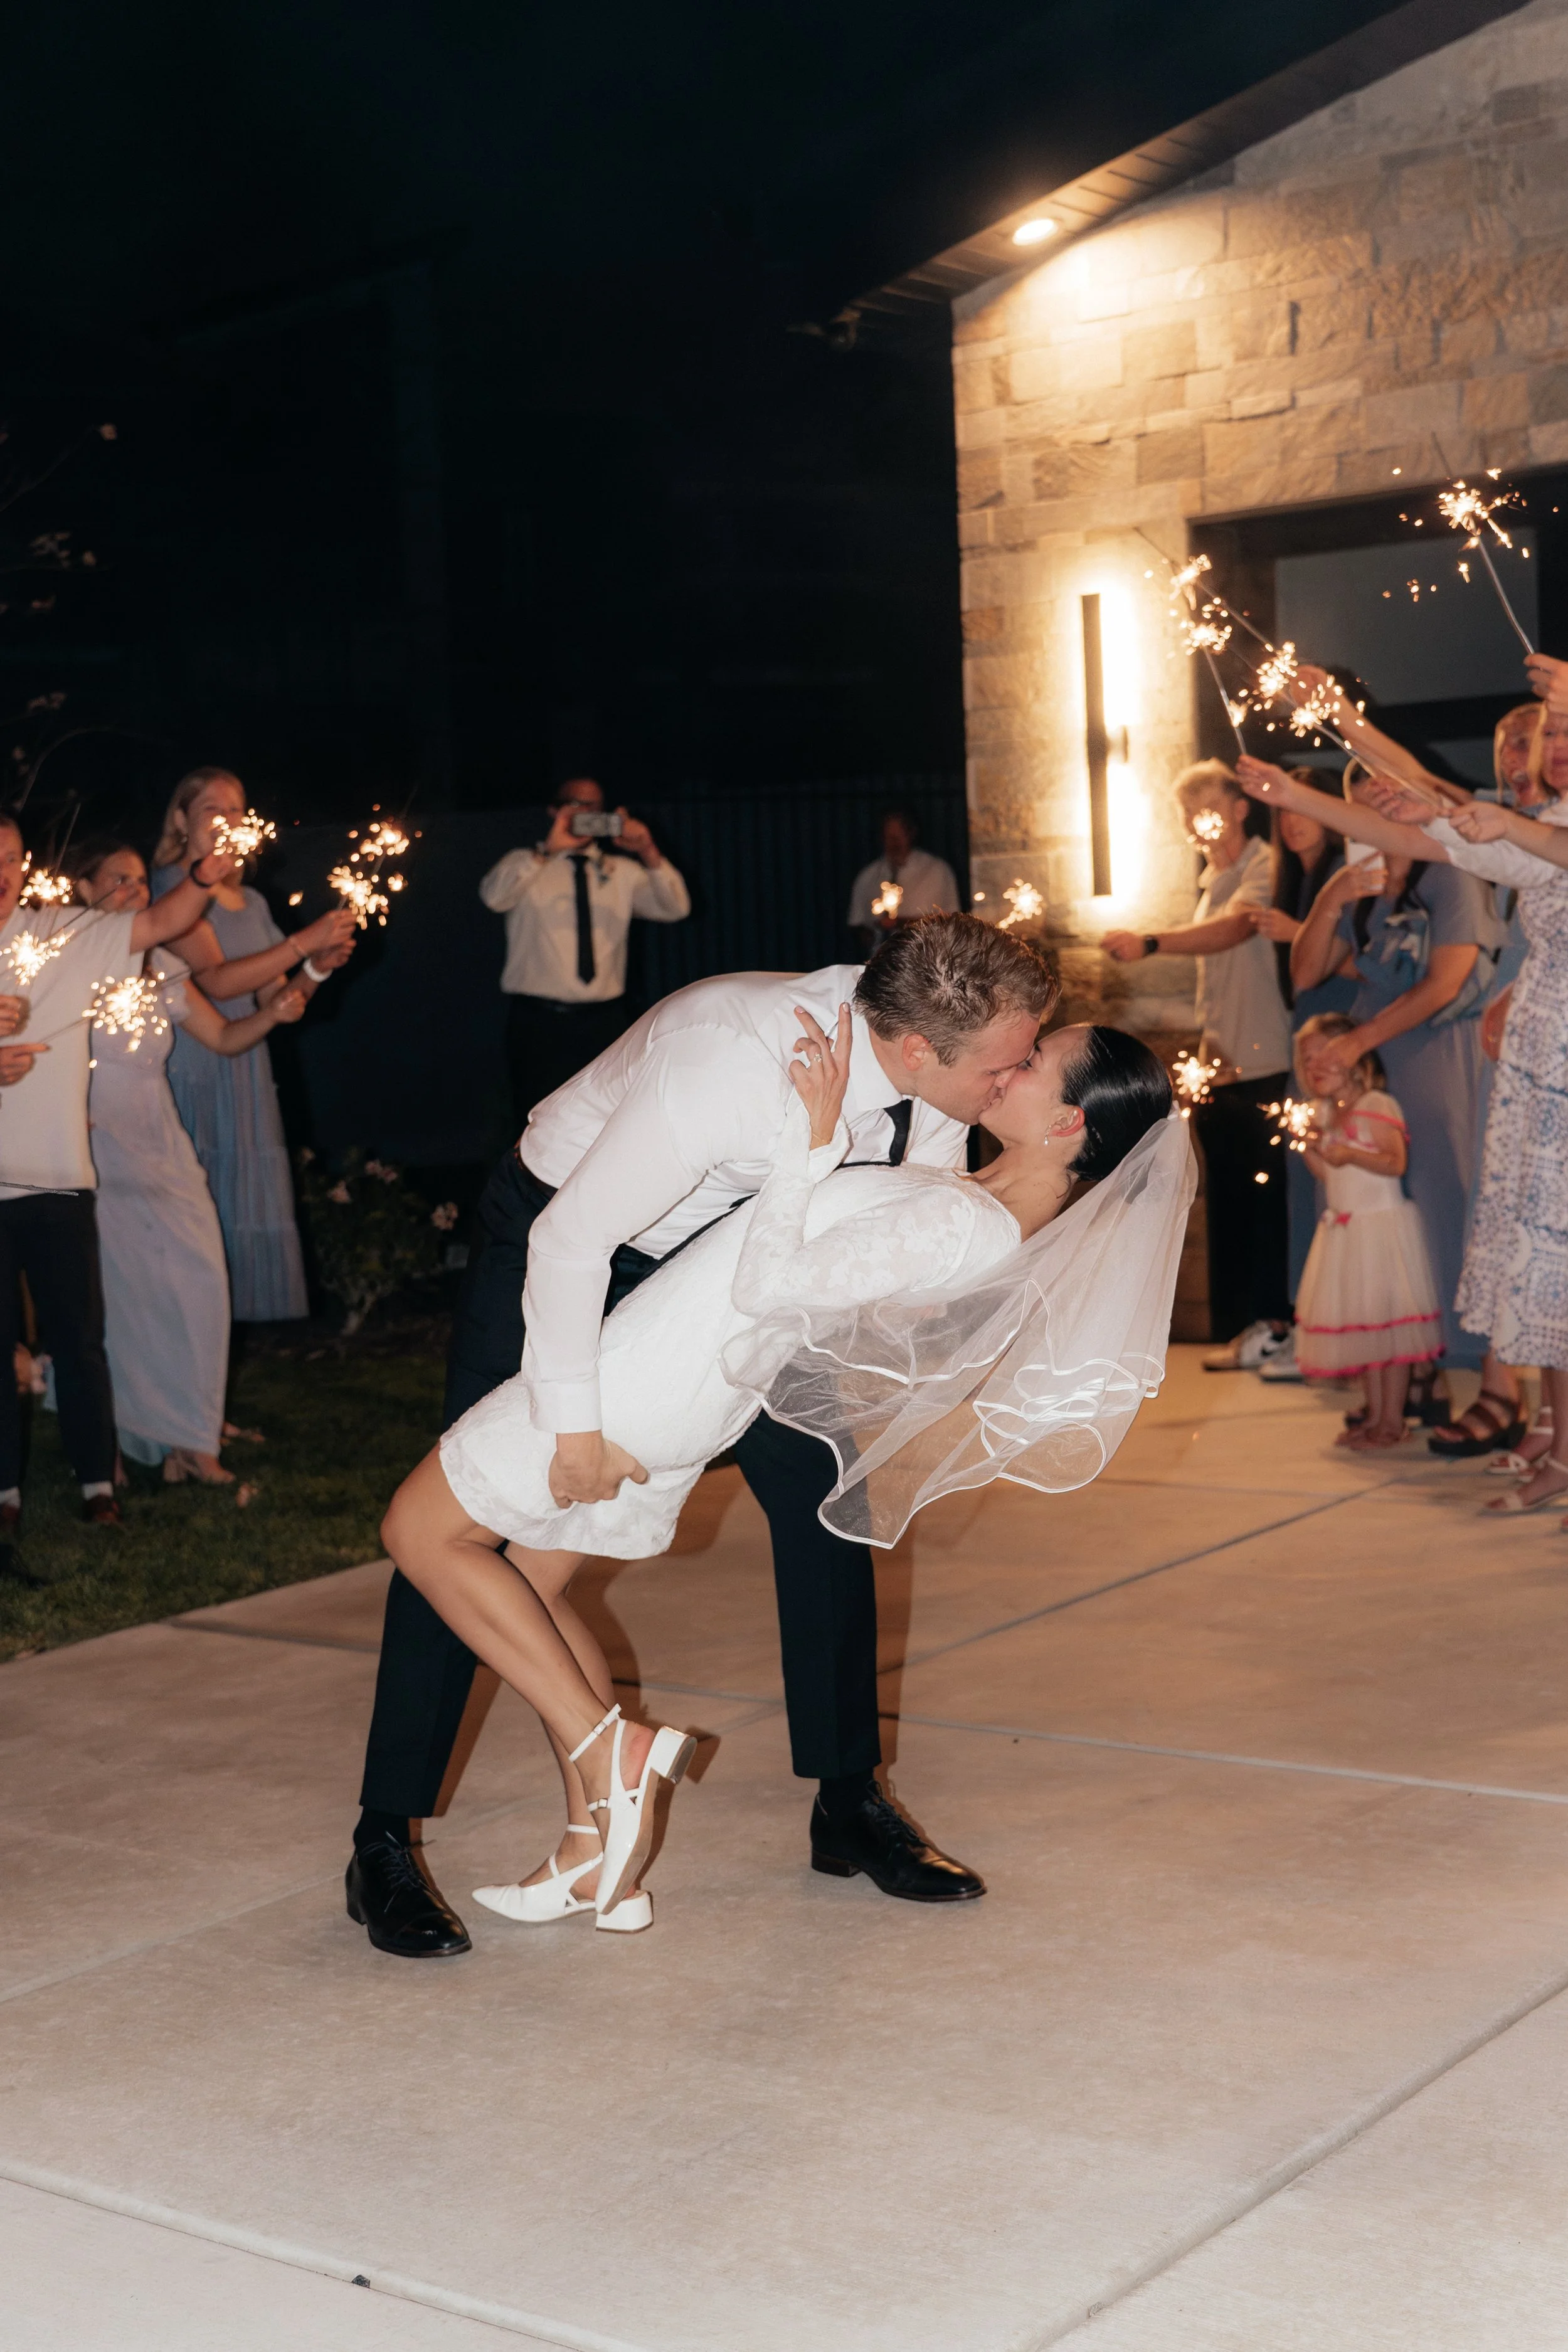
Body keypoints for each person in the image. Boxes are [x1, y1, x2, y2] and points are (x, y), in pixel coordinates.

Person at [347, 913, 1057, 1958]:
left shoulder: (928, 1054)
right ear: (917, 1049)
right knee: (472, 1530)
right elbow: (572, 1239)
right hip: (574, 1244)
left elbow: (915, 1199)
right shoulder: (736, 1063)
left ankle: (848, 1804)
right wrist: (573, 1425)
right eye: (1010, 1061)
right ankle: (384, 1841)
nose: (1022, 1073)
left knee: (829, 1498)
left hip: (742, 1271)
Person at [0, 809, 243, 1535]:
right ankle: (4, 1495)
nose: (2, 873)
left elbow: (160, 921)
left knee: (79, 1341)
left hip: (57, 1177)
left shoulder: (61, 934)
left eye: (10, 856)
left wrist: (204, 873)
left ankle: (96, 1483)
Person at [69, 841, 310, 1484]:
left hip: (162, 1141)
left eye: (141, 881)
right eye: (116, 879)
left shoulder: (162, 961)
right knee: (121, 1298)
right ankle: (121, 1440)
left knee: (200, 1283)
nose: (133, 891)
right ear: (83, 886)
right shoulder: (67, 960)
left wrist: (280, 1008)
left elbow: (225, 1037)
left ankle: (192, 1437)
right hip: (96, 1145)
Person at [1102, 760, 1293, 1372]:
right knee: (1232, 1200)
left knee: (1265, 1203)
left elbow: (1236, 930)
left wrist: (1153, 941)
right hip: (1223, 1064)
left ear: (1240, 807)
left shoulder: (1265, 864)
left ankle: (1276, 1323)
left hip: (1267, 1055)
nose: (1195, 825)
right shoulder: (1213, 876)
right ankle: (1245, 1326)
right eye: (1186, 816)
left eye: (1205, 809)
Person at [151, 767, 356, 1323]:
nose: (227, 821)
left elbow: (278, 998)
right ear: (180, 820)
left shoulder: (253, 903)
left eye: (237, 810)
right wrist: (302, 943)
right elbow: (216, 981)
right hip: (196, 1059)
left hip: (247, 1060)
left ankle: (233, 1334)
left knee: (241, 1193)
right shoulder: (172, 888)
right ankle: (194, 1321)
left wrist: (317, 965)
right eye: (211, 809)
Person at [480, 776, 690, 1127]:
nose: (585, 813)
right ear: (554, 810)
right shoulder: (525, 864)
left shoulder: (620, 870)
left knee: (610, 1121)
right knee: (538, 1124)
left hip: (605, 1023)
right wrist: (547, 852)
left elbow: (676, 907)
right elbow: (493, 897)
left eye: (594, 806)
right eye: (575, 804)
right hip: (539, 1023)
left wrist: (647, 850)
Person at [1290, 1014, 1441, 1446]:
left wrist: (1348, 1155)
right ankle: (1374, 1417)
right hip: (1346, 1231)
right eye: (1307, 1059)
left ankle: (1392, 1421)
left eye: (1323, 1056)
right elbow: (1329, 1175)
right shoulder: (1325, 1112)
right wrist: (1314, 1152)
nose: (1314, 1066)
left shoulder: (1377, 1105)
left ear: (1353, 1056)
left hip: (1381, 1232)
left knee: (1388, 1334)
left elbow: (1395, 1163)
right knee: (1366, 1336)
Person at [1247, 783, 1357, 1355]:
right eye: (1283, 812)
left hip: (1340, 1028)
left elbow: (1351, 961)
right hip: (1307, 1031)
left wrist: (1299, 936)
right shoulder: (1294, 881)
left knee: (1334, 1178)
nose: (1293, 822)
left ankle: (1337, 1327)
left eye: (1304, 808)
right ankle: (1311, 1324)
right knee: (1304, 1177)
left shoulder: (1345, 871)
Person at [847, 809, 959, 955]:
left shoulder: (937, 871)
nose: (894, 844)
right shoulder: (868, 876)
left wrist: (900, 924)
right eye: (889, 837)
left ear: (912, 834)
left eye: (899, 837)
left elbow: (951, 922)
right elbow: (858, 924)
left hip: (926, 959)